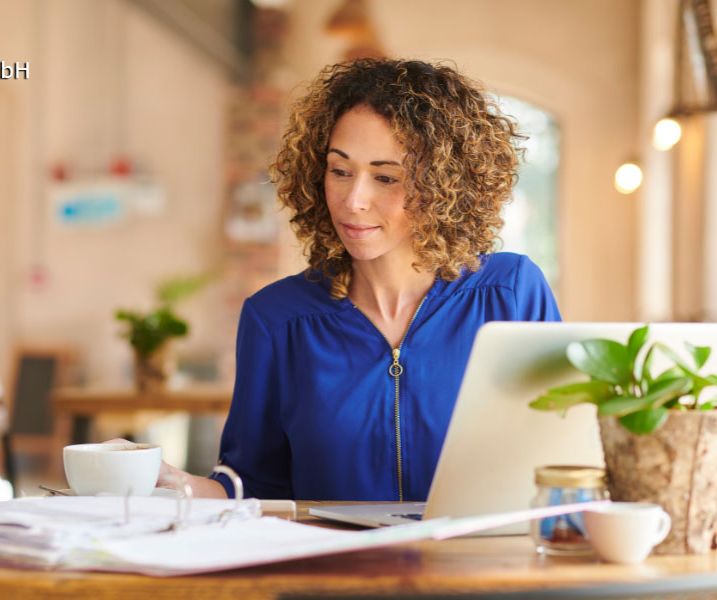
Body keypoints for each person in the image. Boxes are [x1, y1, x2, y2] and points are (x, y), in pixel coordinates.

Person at [146, 58, 560, 501]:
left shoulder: (511, 293)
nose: (353, 200)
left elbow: (562, 462)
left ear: (443, 185)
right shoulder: (276, 319)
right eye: (340, 171)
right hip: (330, 551)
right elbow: (254, 487)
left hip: (480, 548)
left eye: (386, 177)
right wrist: (173, 482)